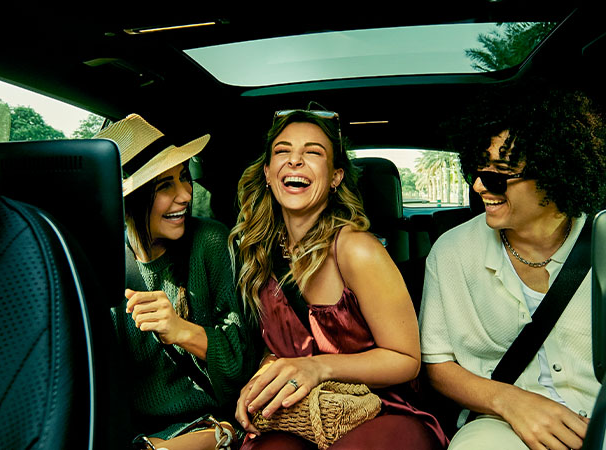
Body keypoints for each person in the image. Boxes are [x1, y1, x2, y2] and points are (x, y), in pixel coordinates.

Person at [230, 107, 448, 449]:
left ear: (335, 177)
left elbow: (406, 360)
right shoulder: (258, 253)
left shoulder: (356, 250)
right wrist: (265, 377)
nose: (295, 161)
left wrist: (318, 368)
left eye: (313, 153)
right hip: (299, 413)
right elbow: (276, 347)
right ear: (269, 174)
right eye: (283, 151)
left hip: (379, 409)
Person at [419, 80, 606, 450]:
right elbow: (437, 366)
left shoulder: (601, 239)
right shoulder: (451, 251)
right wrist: (510, 401)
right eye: (477, 171)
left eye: (496, 175)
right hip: (498, 422)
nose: (478, 187)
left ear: (554, 172)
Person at [99, 114, 255, 450]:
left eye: (184, 178)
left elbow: (243, 368)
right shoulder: (102, 262)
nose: (185, 194)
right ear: (130, 199)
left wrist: (183, 330)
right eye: (165, 185)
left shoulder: (210, 243)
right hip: (131, 434)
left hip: (209, 427)